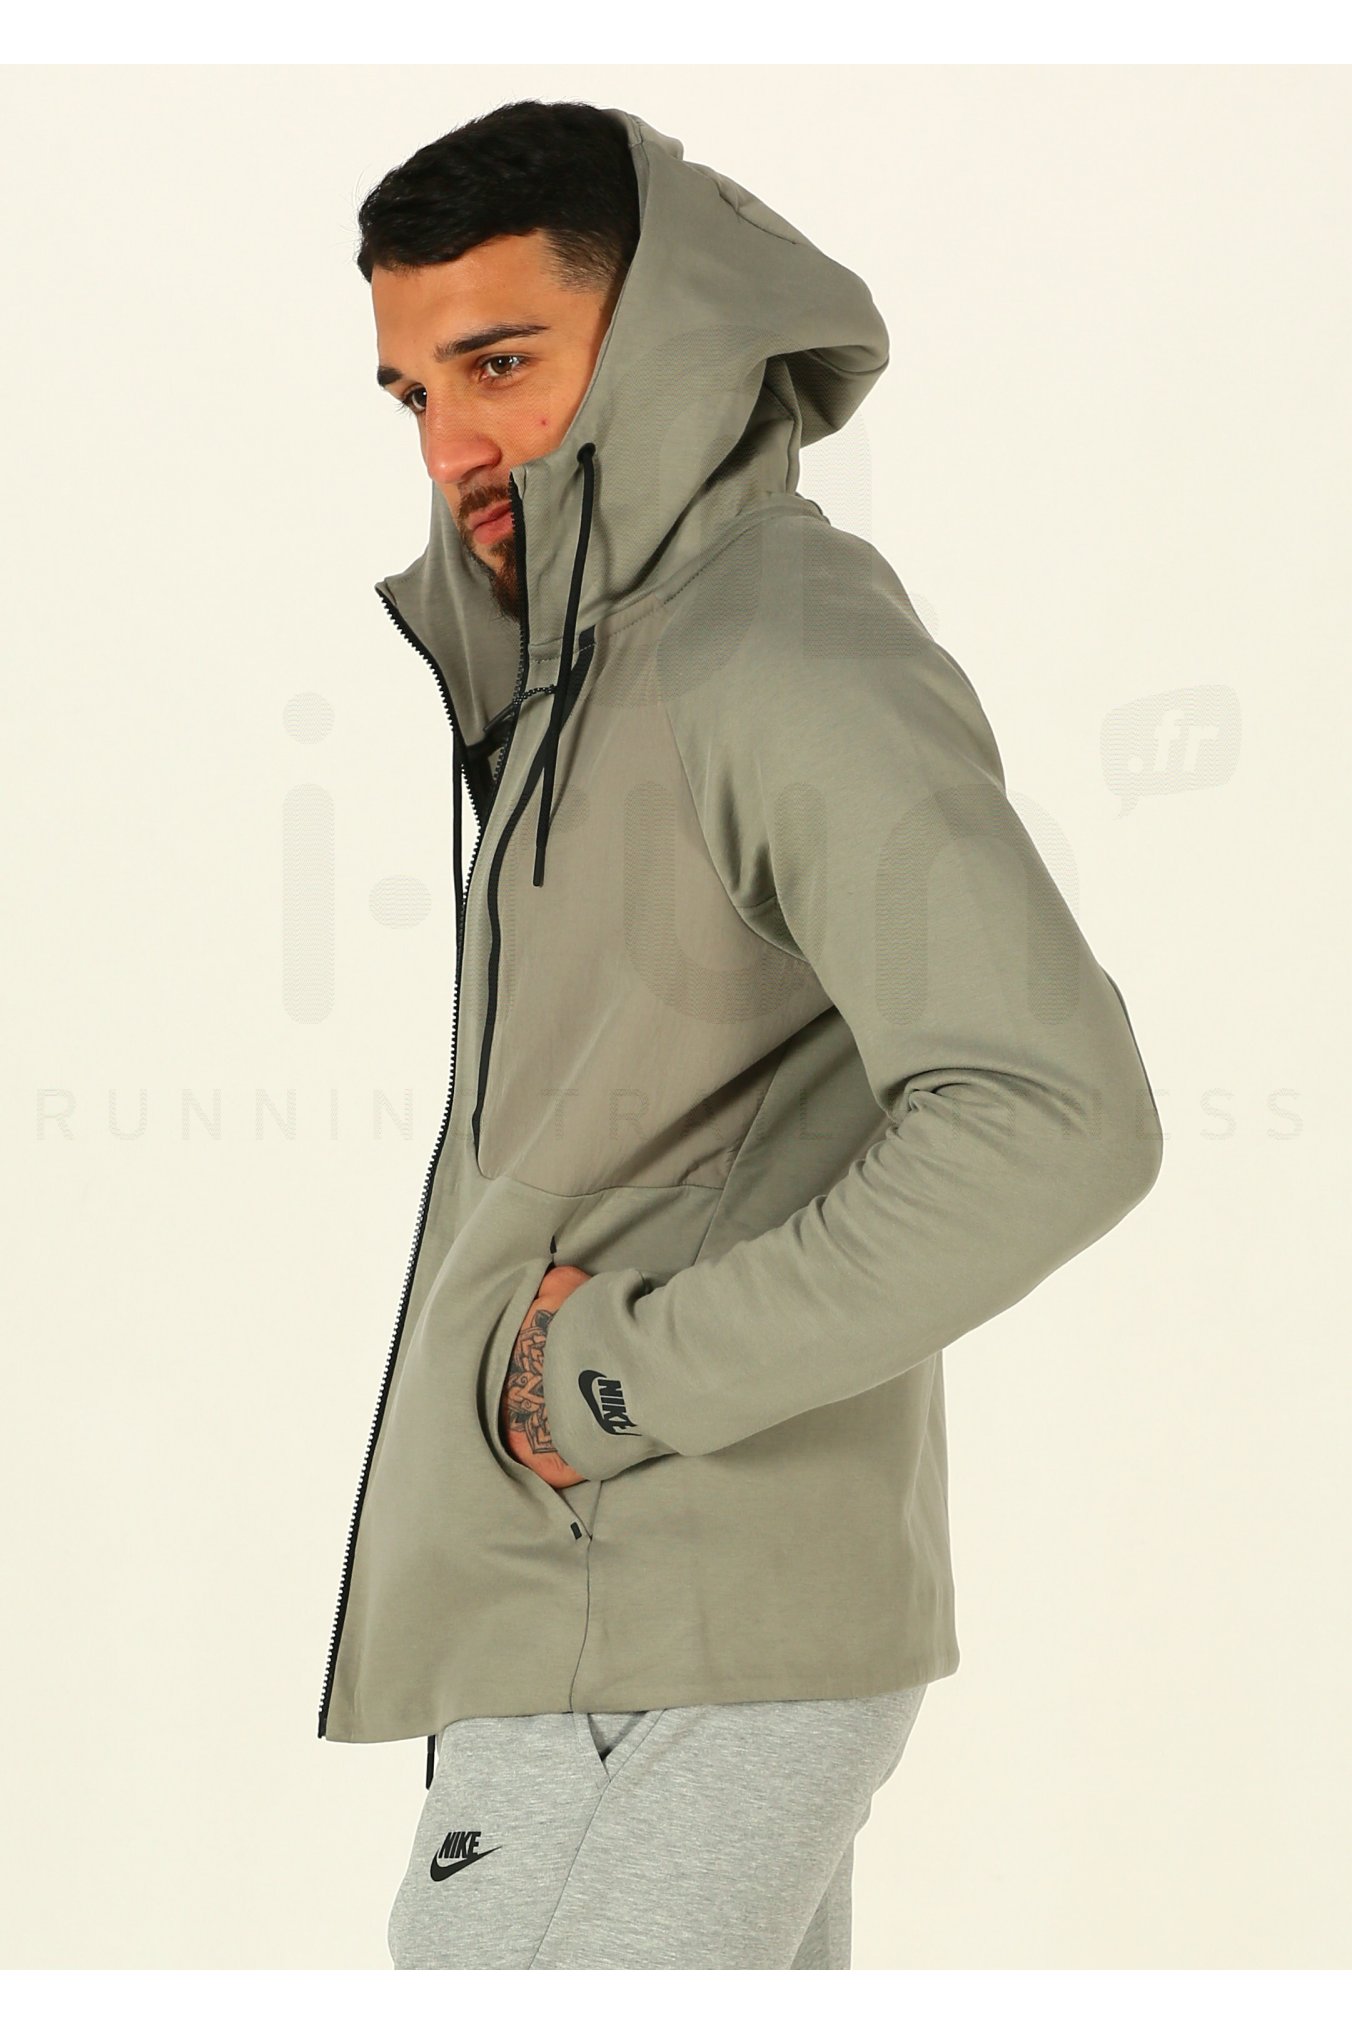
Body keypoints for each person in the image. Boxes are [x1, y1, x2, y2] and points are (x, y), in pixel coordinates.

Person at [316, 99, 1165, 1970]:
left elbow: (1056, 1115)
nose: (450, 447)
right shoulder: (592, 665)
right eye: (411, 392)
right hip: (627, 1618)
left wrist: (615, 1380)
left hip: (657, 1624)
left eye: (502, 363)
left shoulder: (774, 646)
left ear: (665, 333)